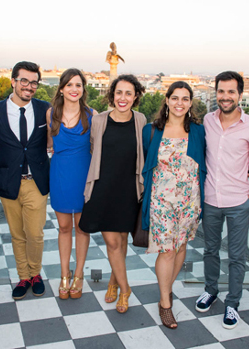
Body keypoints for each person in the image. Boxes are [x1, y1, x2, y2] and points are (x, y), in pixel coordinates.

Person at [197, 71, 249, 330]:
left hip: (239, 201)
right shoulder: (206, 121)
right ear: (216, 93)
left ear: (240, 94)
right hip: (211, 198)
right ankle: (210, 291)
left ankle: (233, 303)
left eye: (231, 92)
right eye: (221, 91)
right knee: (210, 250)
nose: (225, 97)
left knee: (237, 256)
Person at [79, 74, 147, 313]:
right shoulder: (99, 120)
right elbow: (92, 149)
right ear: (112, 94)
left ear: (136, 96)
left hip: (129, 189)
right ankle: (125, 289)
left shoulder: (141, 120)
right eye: (119, 92)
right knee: (111, 241)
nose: (123, 98)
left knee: (121, 240)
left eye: (129, 93)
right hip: (104, 188)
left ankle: (113, 280)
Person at [142, 81, 206, 329]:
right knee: (166, 250)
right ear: (167, 100)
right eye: (175, 98)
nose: (180, 103)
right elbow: (146, 163)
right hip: (161, 201)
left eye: (185, 98)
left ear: (190, 103)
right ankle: (165, 301)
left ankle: (165, 289)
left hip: (190, 200)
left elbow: (205, 161)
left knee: (180, 247)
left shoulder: (198, 131)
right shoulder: (152, 130)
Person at [0, 61, 50, 300]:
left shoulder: (45, 109)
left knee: (35, 233)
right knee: (17, 234)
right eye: (24, 81)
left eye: (33, 82)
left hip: (37, 181)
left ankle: (35, 273)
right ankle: (24, 276)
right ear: (13, 81)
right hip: (8, 181)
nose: (29, 86)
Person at [46, 68, 96, 299]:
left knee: (82, 228)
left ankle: (79, 275)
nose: (74, 89)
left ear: (83, 89)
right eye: (69, 85)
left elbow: (97, 149)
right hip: (60, 175)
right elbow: (50, 144)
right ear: (62, 89)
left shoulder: (91, 115)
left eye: (78, 85)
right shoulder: (51, 114)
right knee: (64, 227)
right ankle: (64, 275)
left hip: (83, 176)